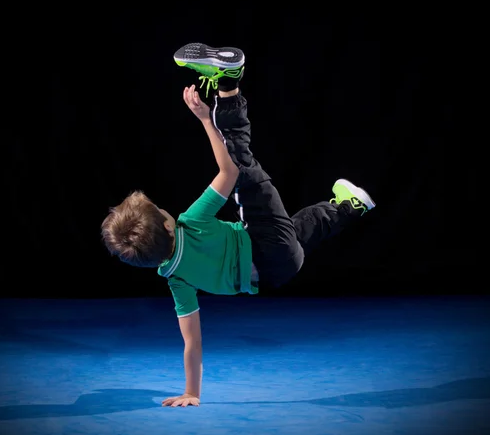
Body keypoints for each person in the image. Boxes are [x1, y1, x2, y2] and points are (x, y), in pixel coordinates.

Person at [101, 43, 376, 408]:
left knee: (302, 229)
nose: (167, 211)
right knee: (241, 162)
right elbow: (228, 171)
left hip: (278, 273)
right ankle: (230, 82)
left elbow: (192, 343)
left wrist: (192, 393)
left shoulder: (174, 279)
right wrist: (203, 119)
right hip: (264, 241)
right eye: (162, 210)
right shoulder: (190, 222)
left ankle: (351, 207)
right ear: (168, 228)